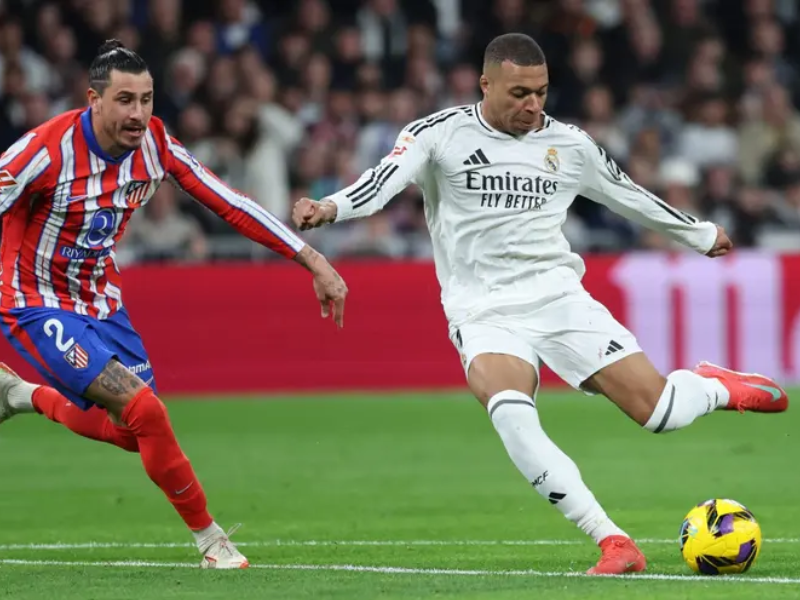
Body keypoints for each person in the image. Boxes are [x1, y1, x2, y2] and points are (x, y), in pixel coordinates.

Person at [292, 33, 788, 575]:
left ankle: (715, 385)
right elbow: (384, 181)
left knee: (661, 413)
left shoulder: (569, 145)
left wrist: (699, 233)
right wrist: (332, 207)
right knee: (511, 413)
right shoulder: (438, 134)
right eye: (520, 93)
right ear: (485, 85)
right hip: (483, 310)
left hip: (557, 297)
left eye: (542, 92)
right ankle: (613, 541)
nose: (533, 105)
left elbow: (629, 195)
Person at [0, 40, 348, 569]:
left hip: (101, 297)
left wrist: (312, 259)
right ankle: (211, 540)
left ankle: (21, 395)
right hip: (33, 301)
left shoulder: (156, 144)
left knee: (131, 430)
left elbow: (228, 202)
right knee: (145, 408)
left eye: (146, 99)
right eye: (124, 100)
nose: (138, 113)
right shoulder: (43, 152)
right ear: (92, 99)